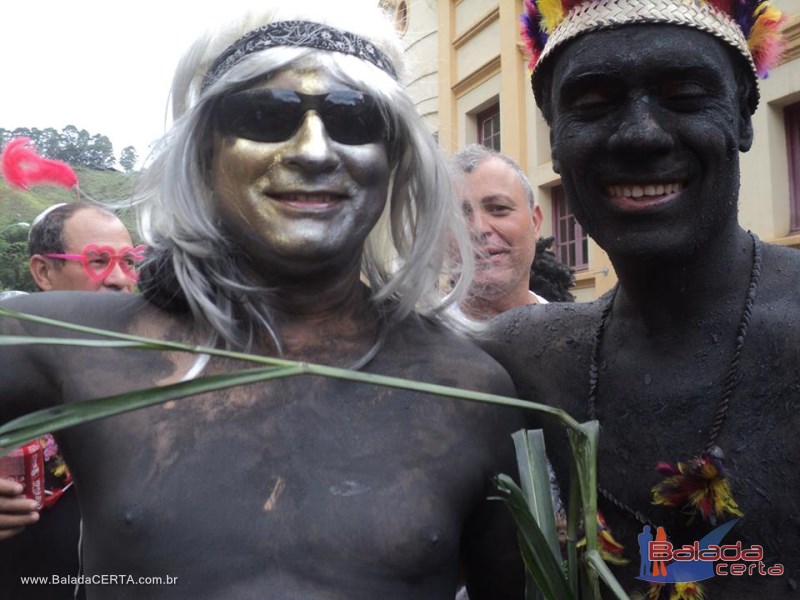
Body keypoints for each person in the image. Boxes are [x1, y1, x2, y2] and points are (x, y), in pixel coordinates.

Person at [0, 2, 526, 598]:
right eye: (265, 114)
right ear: (205, 152)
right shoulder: (73, 343)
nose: (314, 150)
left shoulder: (468, 387)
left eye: (355, 120)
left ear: (396, 159)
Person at [481, 0, 799, 597]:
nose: (641, 134)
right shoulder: (514, 365)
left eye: (684, 95)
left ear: (743, 118)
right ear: (555, 136)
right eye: (594, 104)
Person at [1, 202, 141, 600]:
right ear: (43, 271)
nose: (119, 279)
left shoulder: (159, 364)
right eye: (98, 260)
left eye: (130, 261)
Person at [451, 145, 546, 319]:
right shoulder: (409, 343)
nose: (479, 228)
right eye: (461, 214)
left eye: (498, 208)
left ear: (535, 222)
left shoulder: (580, 338)